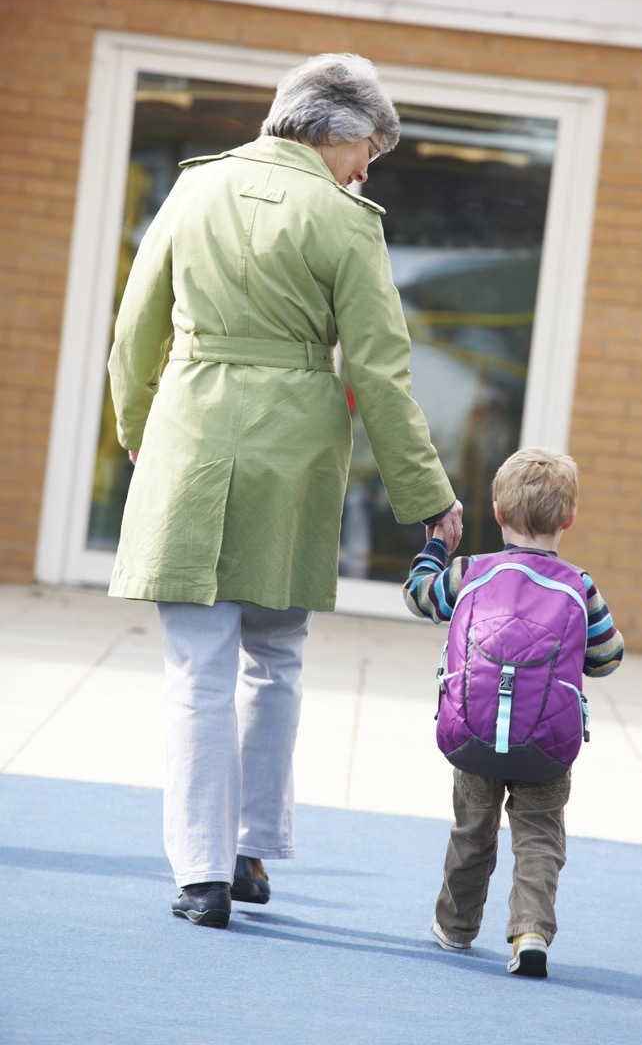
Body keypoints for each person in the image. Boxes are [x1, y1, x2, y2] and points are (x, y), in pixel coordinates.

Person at [107, 53, 463, 929]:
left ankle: (201, 877)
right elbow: (379, 374)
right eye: (368, 150)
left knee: (197, 671)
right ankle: (250, 848)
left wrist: (138, 439)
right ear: (335, 130)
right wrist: (429, 498)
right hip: (293, 454)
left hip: (189, 437)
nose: (366, 169)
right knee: (276, 658)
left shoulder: (193, 191)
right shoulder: (346, 222)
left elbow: (133, 334)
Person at [403, 447, 623, 977]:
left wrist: (435, 549)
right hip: (547, 742)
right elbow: (608, 656)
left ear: (498, 514)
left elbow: (417, 597)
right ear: (568, 519)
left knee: (472, 829)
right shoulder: (579, 585)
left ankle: (455, 928)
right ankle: (530, 933)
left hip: (473, 731)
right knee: (540, 835)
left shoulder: (471, 572)